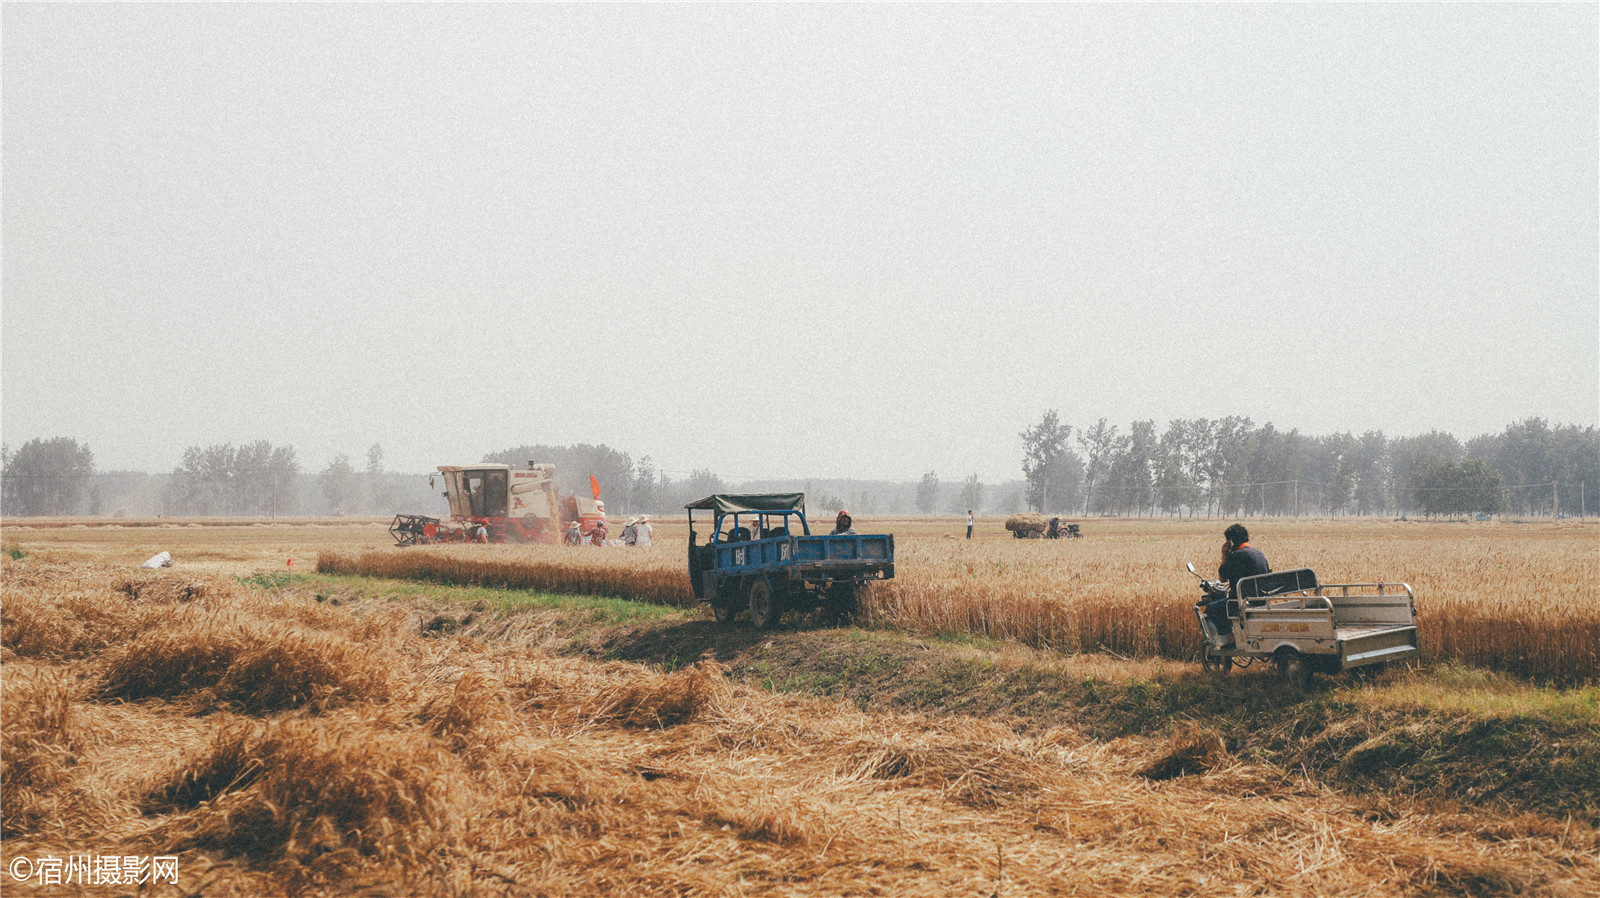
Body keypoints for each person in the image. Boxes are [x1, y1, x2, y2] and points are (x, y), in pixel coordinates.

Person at [1200, 523, 1270, 639]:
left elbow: (1222, 578)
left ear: (1231, 542)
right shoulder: (1258, 554)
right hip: (1261, 600)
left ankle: (1231, 640)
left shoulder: (1238, 556)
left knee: (1212, 609)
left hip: (1242, 602)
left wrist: (1224, 555)